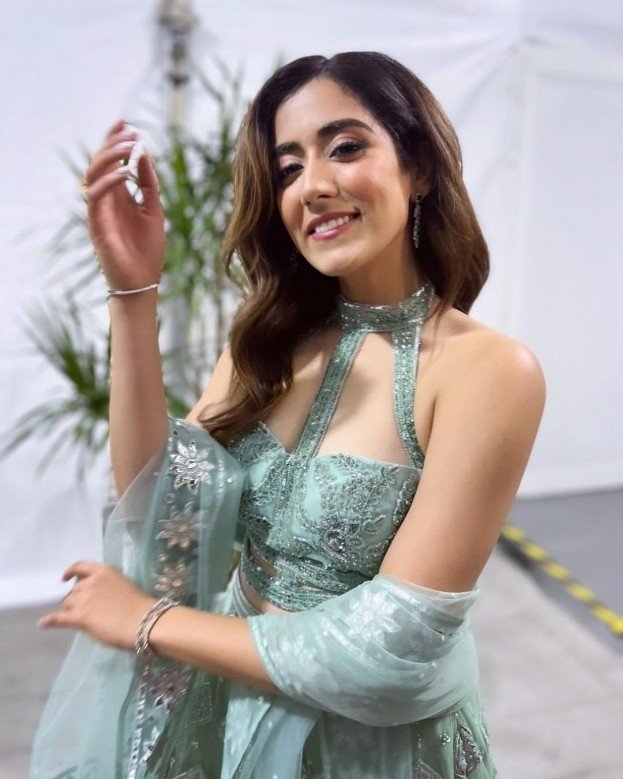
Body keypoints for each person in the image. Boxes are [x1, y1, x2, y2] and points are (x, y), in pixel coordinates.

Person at [31, 52, 545, 778]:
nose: (315, 186)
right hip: (232, 714)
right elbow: (160, 505)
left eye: (346, 147)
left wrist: (150, 621)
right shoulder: (269, 340)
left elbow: (391, 648)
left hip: (372, 751)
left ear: (420, 166)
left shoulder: (486, 371)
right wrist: (133, 292)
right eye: (288, 169)